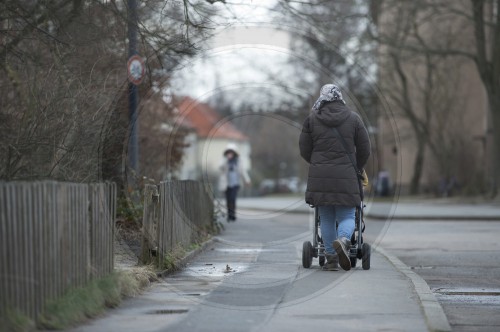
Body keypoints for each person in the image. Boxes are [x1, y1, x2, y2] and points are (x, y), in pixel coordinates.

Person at [299, 84, 370, 271]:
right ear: (339, 98)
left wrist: (316, 163)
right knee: (347, 214)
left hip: (320, 176)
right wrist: (357, 167)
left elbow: (304, 149)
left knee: (326, 217)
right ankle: (345, 240)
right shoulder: (354, 119)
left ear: (323, 97)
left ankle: (331, 257)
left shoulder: (312, 119)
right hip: (347, 176)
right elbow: (365, 149)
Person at [219, 143, 250, 222]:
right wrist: (226, 160)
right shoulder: (224, 160)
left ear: (234, 153)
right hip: (226, 184)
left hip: (235, 183)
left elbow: (243, 171)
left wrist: (247, 180)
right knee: (228, 199)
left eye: (231, 152)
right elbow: (220, 167)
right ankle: (229, 215)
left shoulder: (238, 161)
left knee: (233, 198)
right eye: (229, 152)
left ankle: (233, 214)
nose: (230, 154)